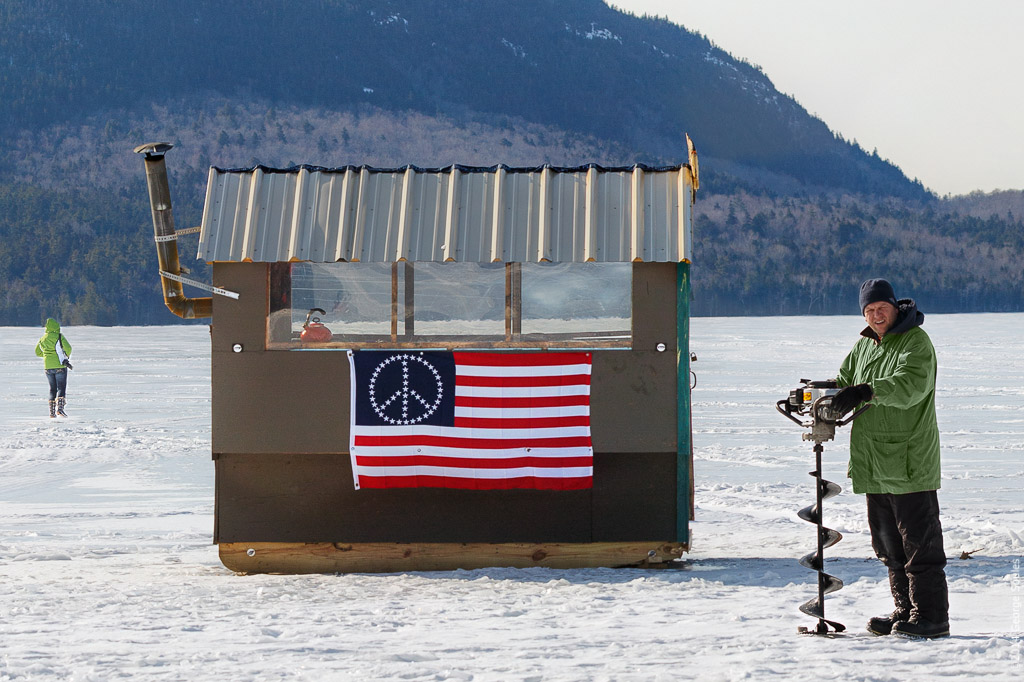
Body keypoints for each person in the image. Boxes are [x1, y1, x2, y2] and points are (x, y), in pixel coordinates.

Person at [830, 278, 949, 639]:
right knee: (887, 545)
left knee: (920, 545)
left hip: (909, 461)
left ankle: (931, 617)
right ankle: (904, 610)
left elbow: (910, 386)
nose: (876, 315)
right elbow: (844, 380)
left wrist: (868, 390)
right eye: (869, 310)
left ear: (896, 307)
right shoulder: (864, 346)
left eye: (881, 308)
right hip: (873, 461)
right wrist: (824, 394)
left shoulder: (916, 342)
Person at [34, 318, 73, 418]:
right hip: (59, 365)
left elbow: (38, 352)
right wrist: (65, 356)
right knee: (61, 387)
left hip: (47, 367)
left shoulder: (43, 338)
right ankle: (60, 409)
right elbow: (68, 348)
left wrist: (47, 356)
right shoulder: (59, 336)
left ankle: (52, 412)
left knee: (52, 389)